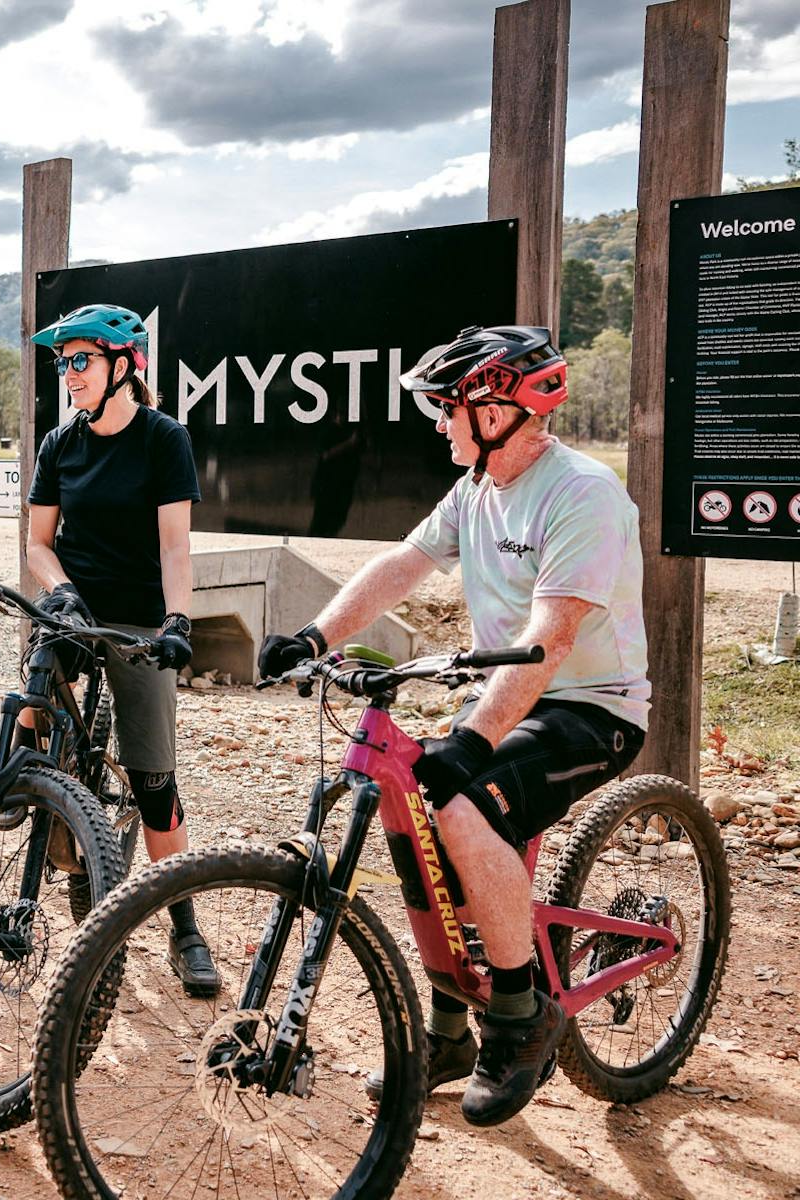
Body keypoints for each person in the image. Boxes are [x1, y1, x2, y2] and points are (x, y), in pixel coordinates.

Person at [257, 324, 649, 1127]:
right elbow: (403, 564)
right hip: (511, 691)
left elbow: (553, 637)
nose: (439, 422)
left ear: (499, 408)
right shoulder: (475, 487)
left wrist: (474, 740)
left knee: (462, 806)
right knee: (412, 802)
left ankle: (516, 1015)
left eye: (448, 407)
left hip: (589, 706)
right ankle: (447, 1032)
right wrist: (314, 635)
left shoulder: (583, 493)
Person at [25, 303, 220, 996]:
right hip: (75, 607)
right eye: (62, 362)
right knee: (30, 708)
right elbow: (38, 544)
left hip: (138, 619)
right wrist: (62, 591)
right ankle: (26, 798)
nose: (68, 374)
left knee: (154, 780)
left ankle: (186, 928)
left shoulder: (163, 439)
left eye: (81, 360)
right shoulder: (60, 444)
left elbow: (174, 546)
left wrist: (176, 621)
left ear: (123, 366)